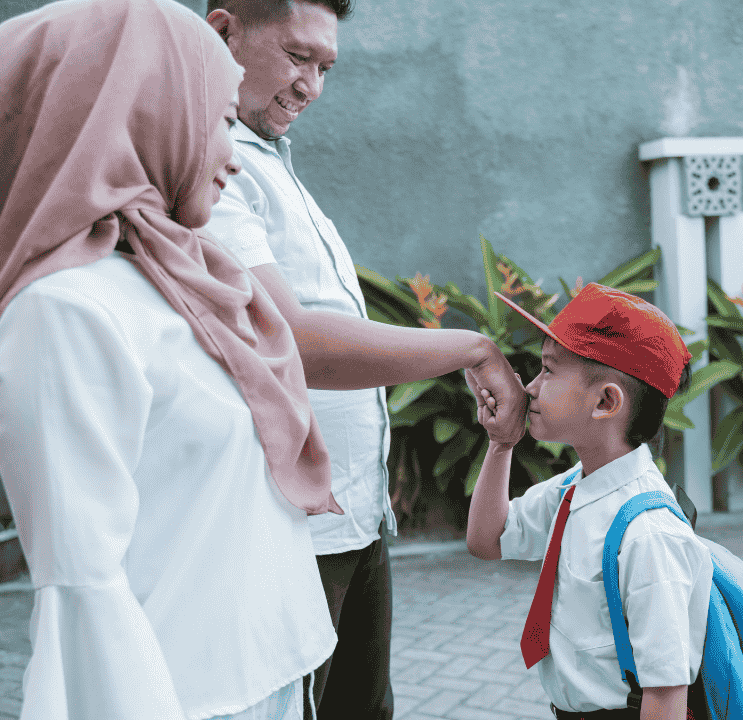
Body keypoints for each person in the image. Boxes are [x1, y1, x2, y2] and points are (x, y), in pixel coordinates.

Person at [0, 0, 521, 717]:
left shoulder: (173, 273)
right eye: (216, 121)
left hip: (267, 668)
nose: (232, 153)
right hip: (193, 689)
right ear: (134, 111)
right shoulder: (63, 315)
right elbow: (85, 601)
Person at [200, 1, 524, 717]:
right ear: (223, 32)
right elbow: (296, 343)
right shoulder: (210, 167)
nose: (310, 86)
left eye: (325, 68)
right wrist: (470, 347)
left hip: (353, 515)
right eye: (296, 57)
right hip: (292, 526)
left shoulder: (269, 163)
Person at [466, 284, 713, 720]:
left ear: (605, 401)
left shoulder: (649, 535)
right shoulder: (575, 489)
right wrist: (501, 444)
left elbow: (666, 693)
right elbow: (488, 539)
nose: (532, 387)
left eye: (548, 370)